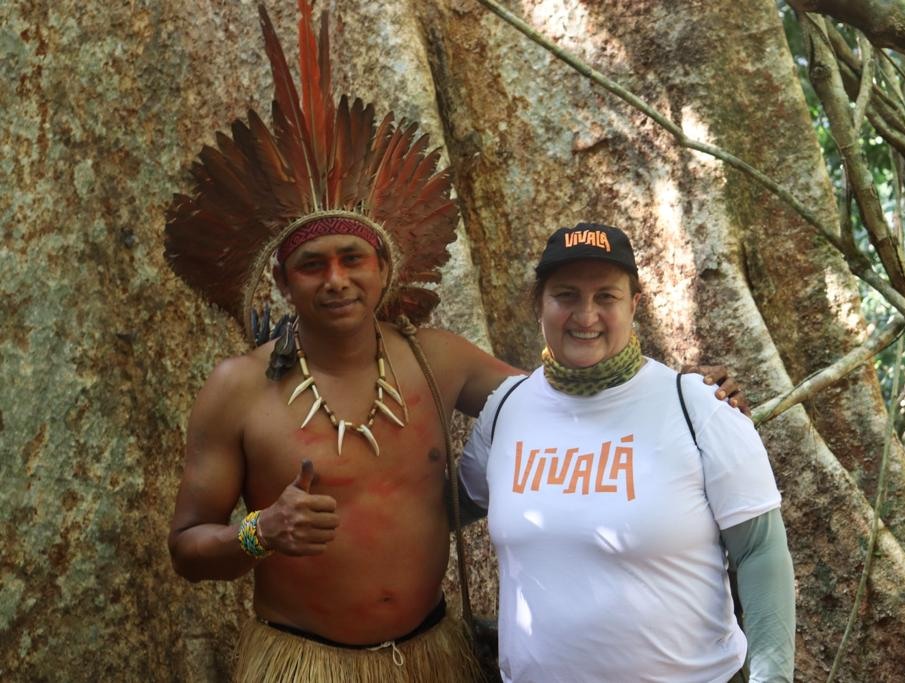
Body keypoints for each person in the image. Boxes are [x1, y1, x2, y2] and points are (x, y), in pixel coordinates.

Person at [163, 5, 746, 682]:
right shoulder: (239, 388)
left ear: (385, 268)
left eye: (353, 257)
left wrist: (683, 396)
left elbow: (570, 412)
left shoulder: (436, 359)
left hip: (434, 654)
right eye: (312, 265)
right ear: (282, 282)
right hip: (302, 660)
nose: (336, 280)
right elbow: (185, 546)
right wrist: (260, 532)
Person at [458, 223, 796, 683]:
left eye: (606, 297)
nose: (586, 315)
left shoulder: (698, 405)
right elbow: (443, 510)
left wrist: (772, 677)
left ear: (634, 304)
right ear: (540, 303)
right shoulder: (506, 409)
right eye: (566, 296)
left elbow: (760, 551)